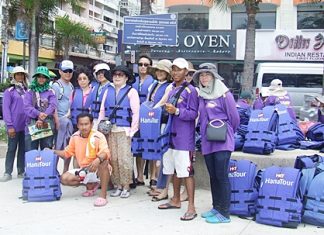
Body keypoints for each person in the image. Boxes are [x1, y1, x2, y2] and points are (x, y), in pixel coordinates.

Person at [193, 63, 240, 224]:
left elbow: (235, 118)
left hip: (222, 141)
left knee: (222, 176)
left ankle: (224, 212)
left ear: (214, 77)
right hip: (207, 141)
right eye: (201, 75)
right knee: (213, 176)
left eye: (207, 74)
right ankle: (216, 207)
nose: (204, 78)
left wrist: (225, 132)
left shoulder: (224, 94)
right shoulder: (202, 95)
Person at [157, 58, 199, 221]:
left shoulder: (191, 91)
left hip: (184, 139)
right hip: (171, 136)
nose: (175, 72)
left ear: (186, 72)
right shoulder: (172, 89)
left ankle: (191, 207)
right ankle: (175, 200)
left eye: (179, 69)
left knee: (187, 172)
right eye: (173, 69)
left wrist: (176, 111)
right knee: (174, 169)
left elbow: (194, 114)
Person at [99, 65, 140, 198]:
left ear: (126, 78)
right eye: (115, 74)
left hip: (124, 130)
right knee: (114, 159)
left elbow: (136, 113)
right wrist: (99, 130)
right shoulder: (107, 90)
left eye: (120, 75)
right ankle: (117, 185)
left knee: (124, 159)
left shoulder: (131, 92)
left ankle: (126, 186)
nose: (117, 77)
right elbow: (102, 111)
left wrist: (133, 131)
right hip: (110, 130)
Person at [53, 113, 111, 207]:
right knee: (64, 179)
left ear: (91, 124)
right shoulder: (75, 137)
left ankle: (103, 196)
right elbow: (66, 153)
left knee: (104, 161)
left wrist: (98, 160)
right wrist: (53, 151)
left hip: (98, 169)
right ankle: (90, 185)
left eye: (86, 124)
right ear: (77, 125)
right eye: (81, 124)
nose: (84, 127)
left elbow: (106, 152)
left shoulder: (98, 136)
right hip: (84, 170)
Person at [146, 59, 172, 200]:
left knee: (163, 156)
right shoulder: (154, 84)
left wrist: (153, 110)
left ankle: (161, 186)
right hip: (152, 121)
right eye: (158, 70)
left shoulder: (169, 86)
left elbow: (162, 103)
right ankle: (159, 184)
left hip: (163, 121)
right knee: (156, 154)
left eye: (163, 71)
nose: (160, 73)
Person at [0, 66, 28, 182]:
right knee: (11, 148)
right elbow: (6, 109)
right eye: (18, 74)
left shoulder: (27, 90)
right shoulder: (9, 91)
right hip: (14, 126)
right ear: (14, 76)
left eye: (22, 74)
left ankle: (21, 170)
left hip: (25, 125)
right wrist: (10, 125)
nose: (20, 77)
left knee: (23, 148)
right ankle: (8, 172)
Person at [132, 55, 155, 186]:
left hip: (150, 117)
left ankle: (153, 176)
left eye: (146, 65)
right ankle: (139, 176)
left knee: (151, 146)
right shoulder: (132, 81)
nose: (143, 67)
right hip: (136, 117)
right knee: (138, 147)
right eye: (141, 64)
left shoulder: (154, 82)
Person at [24, 66, 57, 151]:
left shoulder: (51, 91)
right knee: (31, 150)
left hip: (47, 123)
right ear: (36, 77)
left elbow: (52, 105)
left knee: (46, 150)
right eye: (39, 76)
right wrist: (39, 114)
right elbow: (27, 107)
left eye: (44, 77)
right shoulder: (30, 91)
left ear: (47, 79)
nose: (41, 79)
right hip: (33, 123)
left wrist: (43, 116)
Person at [51, 60, 75, 172]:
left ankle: (65, 171)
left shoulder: (71, 86)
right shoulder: (56, 86)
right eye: (65, 71)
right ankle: (53, 170)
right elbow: (53, 105)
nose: (68, 73)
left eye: (70, 71)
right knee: (57, 146)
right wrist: (56, 120)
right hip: (60, 121)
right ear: (60, 71)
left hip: (69, 122)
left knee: (68, 147)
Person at [86, 63, 111, 129]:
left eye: (103, 72)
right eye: (98, 73)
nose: (100, 75)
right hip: (93, 118)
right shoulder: (94, 87)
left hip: (105, 120)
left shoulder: (112, 87)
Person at [70, 67, 92, 132]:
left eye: (84, 78)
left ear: (89, 80)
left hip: (89, 125)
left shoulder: (93, 92)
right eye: (80, 79)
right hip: (76, 125)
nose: (82, 81)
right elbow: (69, 109)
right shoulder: (73, 92)